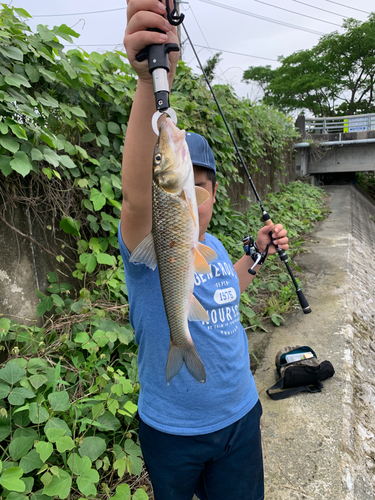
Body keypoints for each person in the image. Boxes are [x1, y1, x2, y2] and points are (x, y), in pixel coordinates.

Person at [119, 1, 289, 499]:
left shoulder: (210, 247)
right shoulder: (147, 246)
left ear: (212, 195)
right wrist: (151, 79)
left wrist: (254, 256)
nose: (192, 191)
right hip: (172, 432)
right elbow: (135, 198)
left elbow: (225, 293)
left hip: (239, 416)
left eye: (203, 184)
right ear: (168, 191)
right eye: (181, 182)